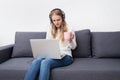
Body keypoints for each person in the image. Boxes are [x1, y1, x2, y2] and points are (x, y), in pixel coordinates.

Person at [24, 8, 77, 80]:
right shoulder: (50, 29)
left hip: (66, 56)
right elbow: (47, 45)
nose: (56, 22)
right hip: (52, 55)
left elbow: (73, 47)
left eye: (58, 20)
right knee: (37, 61)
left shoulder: (69, 28)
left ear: (63, 18)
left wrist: (70, 40)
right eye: (54, 20)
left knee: (45, 62)